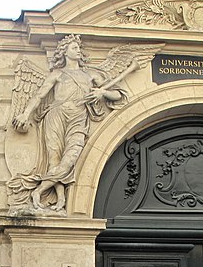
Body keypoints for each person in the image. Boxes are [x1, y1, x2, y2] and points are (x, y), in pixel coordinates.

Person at [8, 35, 130, 213]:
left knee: (70, 159)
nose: (78, 50)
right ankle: (61, 199)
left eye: (79, 48)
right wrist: (26, 114)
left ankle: (39, 190)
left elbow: (118, 95)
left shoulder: (91, 75)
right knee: (54, 158)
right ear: (64, 51)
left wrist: (102, 93)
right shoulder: (57, 74)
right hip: (56, 115)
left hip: (79, 118)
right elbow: (39, 95)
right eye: (74, 48)